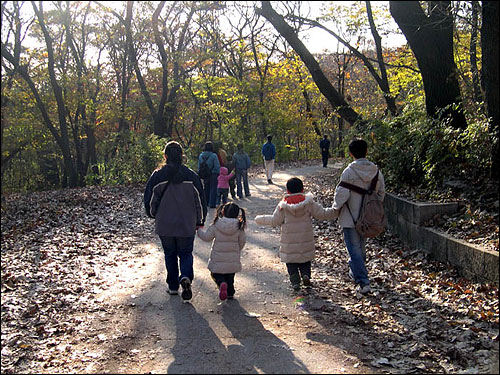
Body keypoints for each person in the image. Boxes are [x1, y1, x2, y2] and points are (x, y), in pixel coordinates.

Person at [144, 141, 207, 301]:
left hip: (165, 224)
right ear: (181, 156)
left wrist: (153, 215)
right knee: (186, 253)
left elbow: (150, 200)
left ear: (165, 156)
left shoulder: (157, 176)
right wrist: (200, 220)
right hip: (186, 223)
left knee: (170, 254)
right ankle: (185, 276)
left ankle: (172, 286)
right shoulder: (192, 176)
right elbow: (200, 200)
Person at [255, 177, 337, 291]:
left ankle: (294, 279)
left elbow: (275, 220)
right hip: (305, 239)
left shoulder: (283, 205)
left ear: (287, 191)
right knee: (305, 259)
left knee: (291, 260)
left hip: (289, 242)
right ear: (302, 189)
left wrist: (260, 219)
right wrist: (337, 210)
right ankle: (306, 275)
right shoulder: (309, 202)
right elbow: (322, 213)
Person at [332, 139, 385, 295]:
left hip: (350, 218)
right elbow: (381, 193)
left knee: (353, 249)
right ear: (366, 151)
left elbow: (341, 195)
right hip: (368, 218)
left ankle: (363, 282)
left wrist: (335, 208)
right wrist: (371, 208)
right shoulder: (376, 171)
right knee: (361, 248)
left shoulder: (349, 172)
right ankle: (356, 271)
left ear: (351, 153)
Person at [197, 202, 247, 301]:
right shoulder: (239, 227)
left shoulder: (216, 224)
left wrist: (199, 230)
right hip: (232, 258)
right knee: (230, 276)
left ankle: (221, 284)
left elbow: (207, 237)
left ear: (223, 212)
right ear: (238, 214)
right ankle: (230, 293)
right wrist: (237, 249)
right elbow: (242, 241)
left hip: (218, 258)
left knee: (215, 274)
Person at [199, 141, 220, 208]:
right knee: (213, 189)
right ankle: (212, 203)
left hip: (205, 174)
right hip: (213, 174)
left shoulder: (201, 156)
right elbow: (217, 166)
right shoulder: (214, 155)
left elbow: (199, 166)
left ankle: (206, 202)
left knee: (206, 188)